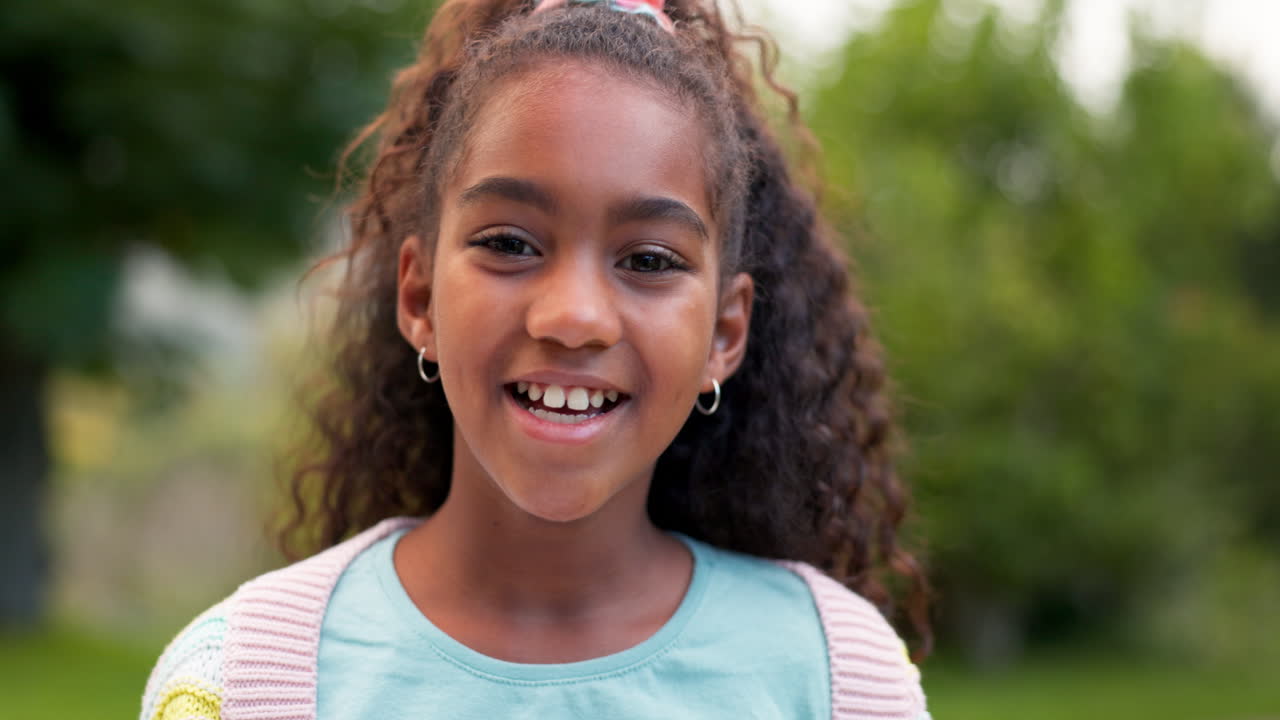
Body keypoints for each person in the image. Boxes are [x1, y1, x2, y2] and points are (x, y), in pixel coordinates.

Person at [139, 1, 932, 718]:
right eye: (510, 244)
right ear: (419, 301)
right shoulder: (238, 682)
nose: (574, 318)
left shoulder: (837, 680)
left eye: (649, 260)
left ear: (724, 335)